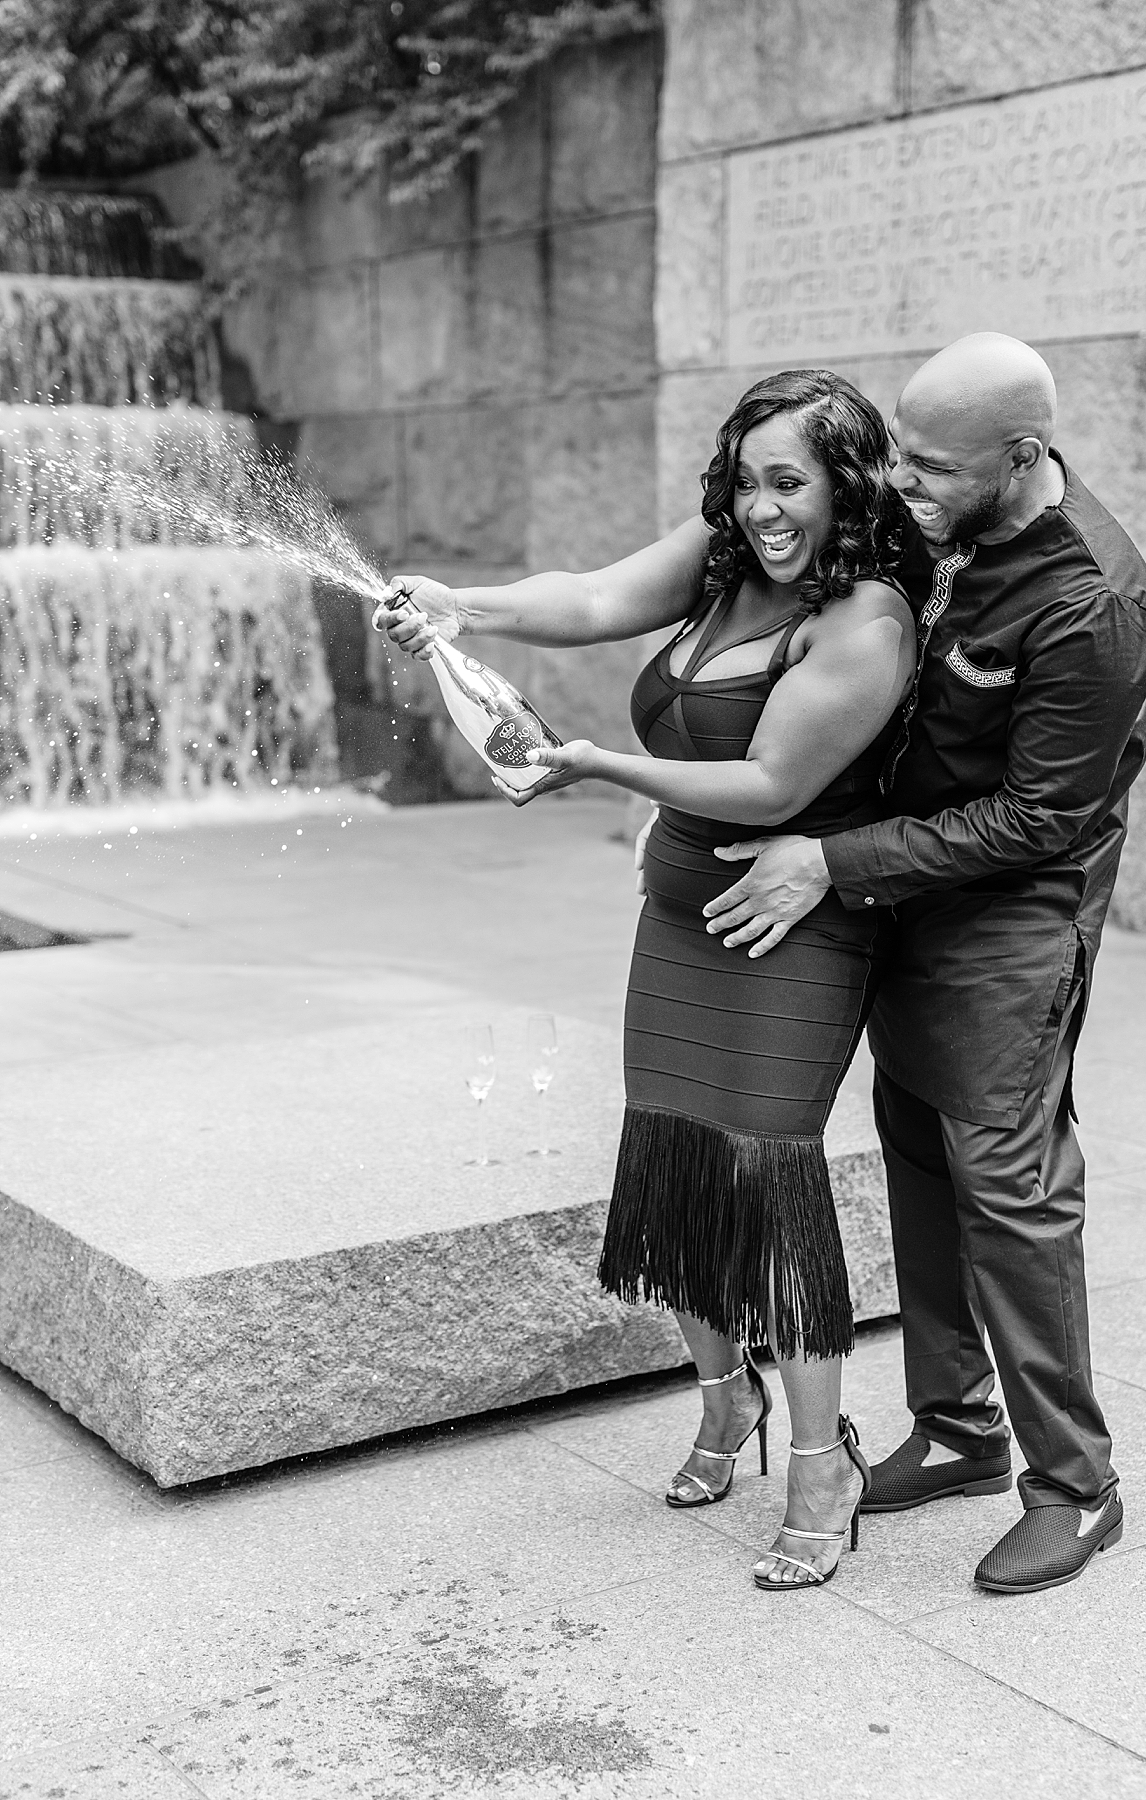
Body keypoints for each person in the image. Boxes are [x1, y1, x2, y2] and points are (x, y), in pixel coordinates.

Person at [377, 369, 916, 1591]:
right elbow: (599, 596)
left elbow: (775, 785)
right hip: (675, 922)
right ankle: (727, 1403)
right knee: (671, 1160)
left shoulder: (864, 619)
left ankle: (823, 1459)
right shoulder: (726, 555)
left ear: (846, 484)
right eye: (747, 478)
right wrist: (467, 604)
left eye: (792, 483)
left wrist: (596, 765)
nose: (765, 507)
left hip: (789, 937)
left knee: (769, 1184)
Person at [698, 333, 1146, 1595]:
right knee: (915, 1157)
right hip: (903, 892)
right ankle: (959, 1427)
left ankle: (1078, 1485)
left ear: (1022, 458)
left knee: (1008, 1189)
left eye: (933, 466)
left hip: (1011, 920)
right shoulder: (940, 514)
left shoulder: (1092, 602)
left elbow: (1040, 817)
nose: (902, 482)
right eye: (900, 451)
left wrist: (829, 860)